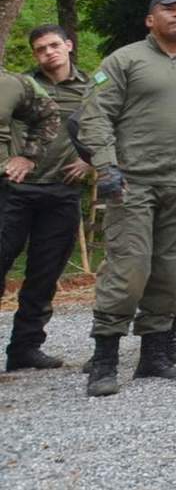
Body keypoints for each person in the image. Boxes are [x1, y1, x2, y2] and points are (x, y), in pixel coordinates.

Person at [78, 0, 176, 397]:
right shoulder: (123, 60)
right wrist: (106, 165)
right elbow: (95, 114)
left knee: (170, 271)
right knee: (129, 268)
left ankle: (154, 354)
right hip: (130, 181)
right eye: (168, 10)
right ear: (149, 20)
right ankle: (104, 359)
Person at [0, 29, 74, 371]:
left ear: (68, 46)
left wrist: (90, 160)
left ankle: (25, 348)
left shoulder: (91, 85)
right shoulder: (24, 81)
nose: (48, 53)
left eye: (54, 45)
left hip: (60, 191)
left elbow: (105, 123)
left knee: (44, 275)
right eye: (40, 49)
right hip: (16, 191)